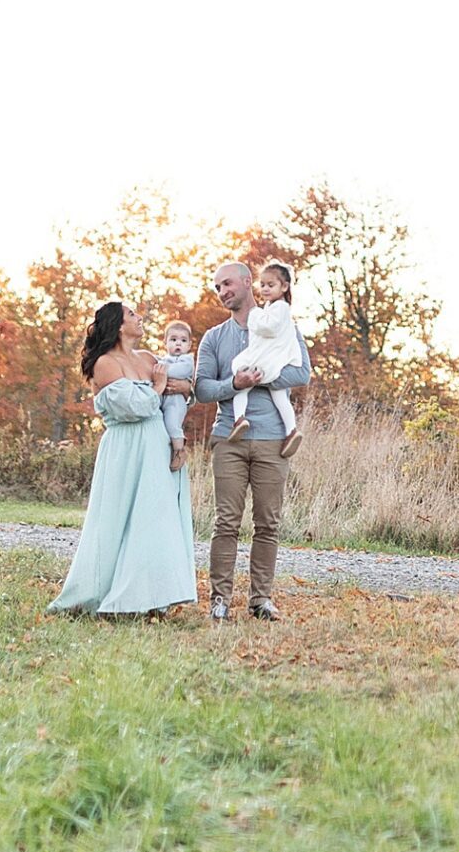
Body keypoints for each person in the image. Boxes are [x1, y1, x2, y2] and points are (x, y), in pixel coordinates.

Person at [49, 300, 197, 617]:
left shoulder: (148, 358)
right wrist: (159, 387)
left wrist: (184, 387)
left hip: (157, 445)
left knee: (156, 520)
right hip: (126, 449)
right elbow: (135, 408)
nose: (139, 317)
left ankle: (153, 598)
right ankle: (109, 595)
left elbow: (183, 392)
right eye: (132, 314)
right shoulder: (105, 363)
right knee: (117, 520)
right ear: (118, 325)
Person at [194, 259, 311, 623]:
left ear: (248, 283)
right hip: (228, 437)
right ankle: (220, 600)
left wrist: (261, 377)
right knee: (226, 522)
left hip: (274, 440)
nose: (222, 292)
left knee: (268, 524)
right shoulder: (214, 338)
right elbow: (202, 388)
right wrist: (235, 384)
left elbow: (302, 373)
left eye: (227, 283)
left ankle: (261, 600)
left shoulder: (284, 325)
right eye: (217, 287)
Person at [228, 261, 302, 454]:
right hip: (273, 361)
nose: (265, 289)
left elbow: (269, 328)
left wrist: (254, 315)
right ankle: (291, 430)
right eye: (262, 285)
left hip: (268, 361)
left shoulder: (280, 307)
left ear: (284, 287)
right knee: (279, 396)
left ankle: (239, 418)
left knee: (241, 381)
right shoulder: (272, 306)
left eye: (271, 285)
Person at [158, 318, 197, 471]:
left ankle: (179, 451)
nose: (178, 343)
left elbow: (178, 372)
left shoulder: (187, 360)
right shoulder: (162, 359)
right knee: (163, 427)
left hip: (176, 402)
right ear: (165, 342)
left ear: (189, 345)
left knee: (173, 425)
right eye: (173, 340)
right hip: (163, 400)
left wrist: (160, 371)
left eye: (183, 340)